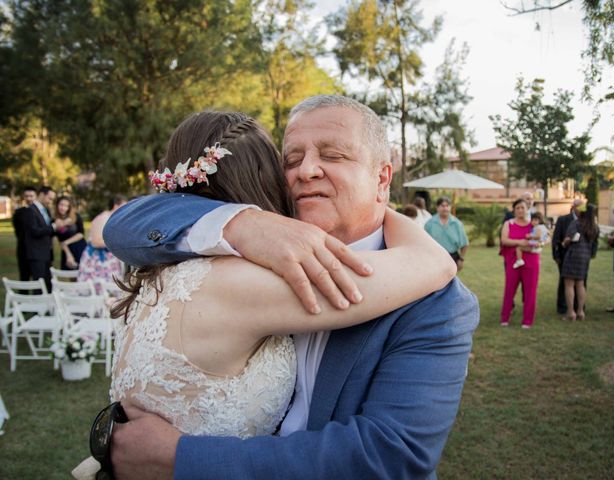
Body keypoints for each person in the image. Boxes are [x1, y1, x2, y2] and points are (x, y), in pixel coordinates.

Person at [103, 95, 479, 479]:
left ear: (382, 178)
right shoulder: (246, 258)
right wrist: (239, 223)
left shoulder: (437, 302)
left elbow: (389, 456)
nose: (307, 170)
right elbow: (124, 224)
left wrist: (181, 457)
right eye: (292, 159)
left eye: (332, 155)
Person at [499, 198, 540, 328]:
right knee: (509, 289)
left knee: (530, 291)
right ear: (514, 210)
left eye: (523, 207)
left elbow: (542, 238)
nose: (520, 210)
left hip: (531, 260)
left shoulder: (533, 225)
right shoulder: (509, 223)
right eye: (518, 208)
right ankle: (505, 318)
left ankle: (527, 320)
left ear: (527, 209)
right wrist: (520, 242)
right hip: (513, 261)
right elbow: (504, 240)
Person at [77, 195, 127, 292]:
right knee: (97, 291)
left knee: (110, 291)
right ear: (116, 205)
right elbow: (96, 242)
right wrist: (119, 242)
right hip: (97, 261)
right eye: (124, 206)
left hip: (108, 260)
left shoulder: (112, 218)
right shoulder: (103, 217)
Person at [561, 204, 599, 321]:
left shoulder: (576, 223)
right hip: (585, 256)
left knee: (569, 284)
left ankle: (571, 312)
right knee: (580, 284)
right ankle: (581, 311)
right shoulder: (594, 227)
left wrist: (564, 243)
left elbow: (568, 239)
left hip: (573, 254)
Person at [21, 186, 59, 291]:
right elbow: (35, 231)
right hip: (36, 254)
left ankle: (47, 306)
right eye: (49, 198)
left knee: (48, 283)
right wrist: (53, 227)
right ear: (42, 195)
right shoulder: (30, 210)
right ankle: (38, 306)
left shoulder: (44, 210)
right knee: (39, 285)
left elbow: (46, 229)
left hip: (46, 253)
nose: (50, 201)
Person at [552, 198, 583, 314]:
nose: (581, 210)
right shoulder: (563, 220)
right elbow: (556, 239)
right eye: (579, 207)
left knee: (580, 282)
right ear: (573, 207)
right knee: (564, 282)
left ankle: (578, 307)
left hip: (580, 257)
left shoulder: (586, 221)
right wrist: (556, 255)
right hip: (565, 256)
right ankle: (562, 307)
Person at [425, 196, 469, 272]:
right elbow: (424, 244)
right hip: (434, 258)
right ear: (437, 207)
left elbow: (465, 244)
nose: (445, 208)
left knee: (451, 282)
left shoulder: (457, 224)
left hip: (452, 258)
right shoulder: (429, 224)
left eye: (447, 206)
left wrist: (461, 259)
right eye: (442, 206)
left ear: (450, 207)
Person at [53, 196, 87, 270]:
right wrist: (68, 254)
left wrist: (66, 242)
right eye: (61, 204)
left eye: (66, 206)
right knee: (70, 274)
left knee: (82, 272)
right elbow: (60, 240)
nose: (63, 208)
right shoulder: (54, 220)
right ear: (57, 205)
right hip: (66, 249)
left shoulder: (76, 216)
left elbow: (81, 234)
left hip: (79, 247)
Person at [11, 186, 37, 281]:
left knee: (37, 278)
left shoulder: (41, 211)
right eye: (26, 196)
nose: (29, 198)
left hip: (37, 251)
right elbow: (17, 230)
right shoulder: (18, 213)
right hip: (23, 249)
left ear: (36, 196)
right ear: (23, 197)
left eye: (31, 196)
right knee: (24, 276)